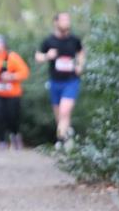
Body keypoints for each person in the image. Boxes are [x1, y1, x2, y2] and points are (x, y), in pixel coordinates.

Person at [35, 12, 85, 147]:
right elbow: (38, 57)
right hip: (55, 82)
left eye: (68, 19)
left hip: (71, 81)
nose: (67, 22)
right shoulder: (49, 41)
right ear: (56, 22)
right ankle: (67, 135)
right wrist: (47, 56)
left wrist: (80, 65)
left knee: (64, 111)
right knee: (60, 116)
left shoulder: (75, 40)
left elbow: (81, 52)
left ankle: (61, 140)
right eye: (63, 20)